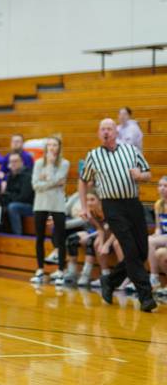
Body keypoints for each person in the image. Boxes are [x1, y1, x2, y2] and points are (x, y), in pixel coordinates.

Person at [79, 118, 156, 312]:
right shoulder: (93, 155)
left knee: (140, 251)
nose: (106, 132)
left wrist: (140, 176)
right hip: (112, 206)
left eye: (110, 129)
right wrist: (84, 207)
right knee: (130, 249)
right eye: (103, 129)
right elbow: (83, 181)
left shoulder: (130, 150)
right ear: (99, 133)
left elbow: (148, 173)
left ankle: (110, 281)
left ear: (116, 132)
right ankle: (146, 296)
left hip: (133, 204)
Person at [29, 137, 70, 285]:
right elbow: (35, 185)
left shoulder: (64, 163)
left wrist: (49, 169)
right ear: (46, 148)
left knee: (60, 237)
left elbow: (58, 179)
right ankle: (40, 269)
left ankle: (60, 270)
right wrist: (52, 182)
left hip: (58, 204)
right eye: (49, 145)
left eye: (55, 145)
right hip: (40, 203)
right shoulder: (39, 163)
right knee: (39, 237)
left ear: (59, 147)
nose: (52, 148)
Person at [2, 153, 34, 235]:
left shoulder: (28, 175)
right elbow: (7, 194)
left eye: (16, 161)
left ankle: (17, 235)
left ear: (21, 162)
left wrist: (9, 197)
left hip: (30, 206)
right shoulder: (10, 176)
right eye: (11, 161)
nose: (13, 163)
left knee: (13, 207)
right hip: (16, 202)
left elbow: (24, 197)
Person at [148, 176, 167, 292]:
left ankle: (154, 277)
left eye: (165, 186)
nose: (162, 188)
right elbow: (158, 228)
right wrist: (155, 234)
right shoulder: (158, 204)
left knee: (152, 242)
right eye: (160, 185)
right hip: (164, 236)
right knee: (149, 240)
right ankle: (154, 278)